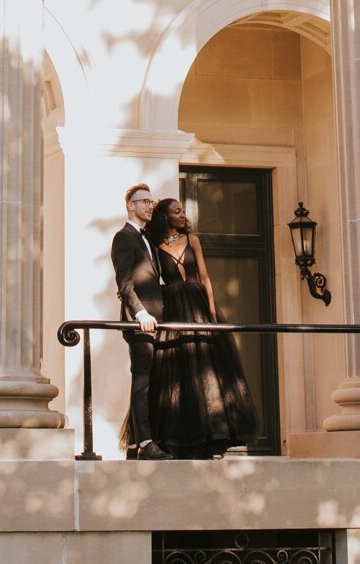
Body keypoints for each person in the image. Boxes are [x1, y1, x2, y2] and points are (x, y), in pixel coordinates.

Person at [145, 194, 258, 458]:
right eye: (176, 211)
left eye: (183, 210)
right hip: (173, 306)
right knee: (178, 370)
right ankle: (179, 439)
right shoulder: (155, 244)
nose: (182, 214)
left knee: (207, 367)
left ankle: (213, 436)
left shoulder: (192, 240)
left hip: (197, 305)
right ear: (165, 216)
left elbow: (205, 278)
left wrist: (211, 311)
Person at [110, 183, 170, 459]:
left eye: (151, 201)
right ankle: (145, 442)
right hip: (141, 321)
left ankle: (135, 443)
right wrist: (141, 313)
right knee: (142, 380)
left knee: (151, 380)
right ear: (130, 206)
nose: (149, 205)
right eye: (142, 201)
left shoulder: (146, 238)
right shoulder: (123, 237)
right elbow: (124, 282)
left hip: (157, 319)